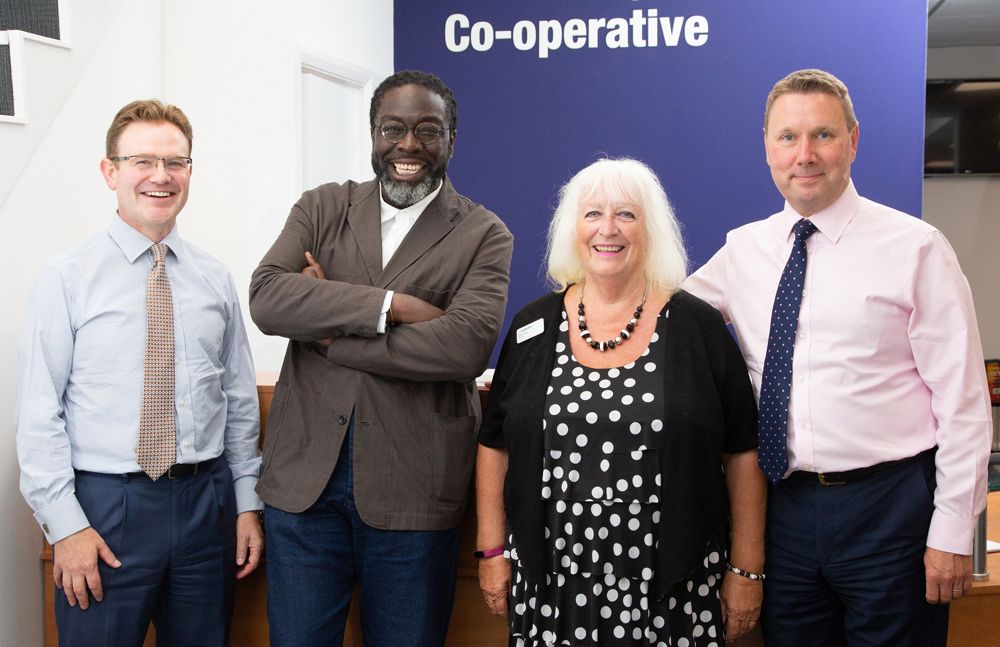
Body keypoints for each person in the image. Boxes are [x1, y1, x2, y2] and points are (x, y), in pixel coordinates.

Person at [683, 68, 993, 646]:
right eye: (788, 137)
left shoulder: (915, 249)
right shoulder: (743, 250)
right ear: (767, 147)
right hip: (783, 514)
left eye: (823, 135)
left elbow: (963, 404)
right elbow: (663, 318)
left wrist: (953, 531)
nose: (805, 154)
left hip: (891, 512)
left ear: (853, 141)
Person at [249, 69, 513, 647]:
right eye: (392, 129)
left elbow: (464, 346)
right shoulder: (322, 206)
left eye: (427, 130)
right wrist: (393, 307)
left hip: (414, 492)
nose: (408, 145)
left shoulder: (484, 234)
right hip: (303, 486)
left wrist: (327, 332)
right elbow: (268, 298)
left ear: (451, 140)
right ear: (373, 134)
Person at [476, 158, 766, 646]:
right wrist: (490, 552)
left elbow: (743, 451)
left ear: (651, 231)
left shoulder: (697, 326)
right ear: (572, 229)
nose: (607, 229)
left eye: (626, 214)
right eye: (592, 214)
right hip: (552, 581)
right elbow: (495, 443)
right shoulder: (533, 327)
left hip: (672, 581)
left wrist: (747, 569)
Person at [16, 99, 264, 646]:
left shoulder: (215, 278)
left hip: (206, 507)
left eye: (175, 162)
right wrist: (67, 526)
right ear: (110, 172)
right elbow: (39, 414)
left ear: (190, 172)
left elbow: (238, 399)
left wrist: (246, 501)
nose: (161, 175)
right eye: (142, 161)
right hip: (105, 510)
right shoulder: (65, 278)